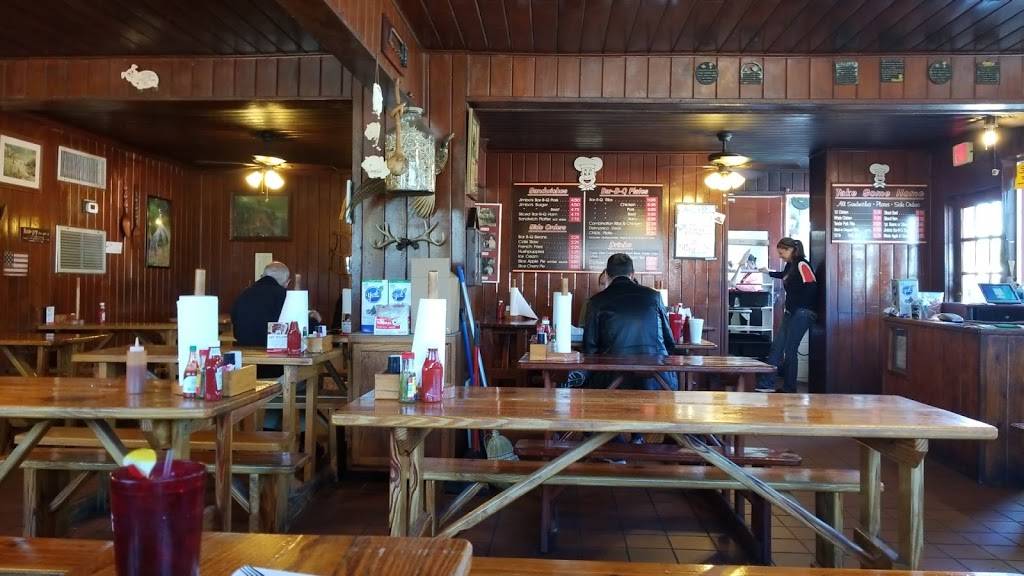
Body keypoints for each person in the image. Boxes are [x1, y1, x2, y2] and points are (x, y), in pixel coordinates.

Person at [582, 254, 677, 390]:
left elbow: (589, 349)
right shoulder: (654, 297)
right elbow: (669, 342)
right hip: (658, 382)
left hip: (612, 384)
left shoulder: (596, 302)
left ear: (607, 275)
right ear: (632, 274)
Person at [755, 237, 818, 393]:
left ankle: (789, 388)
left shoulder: (802, 264)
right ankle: (766, 384)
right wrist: (768, 272)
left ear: (791, 250)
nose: (780, 256)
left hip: (802, 312)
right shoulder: (790, 266)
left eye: (782, 252)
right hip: (792, 312)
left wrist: (798, 306)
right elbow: (783, 275)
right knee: (777, 347)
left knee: (790, 350)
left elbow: (812, 286)